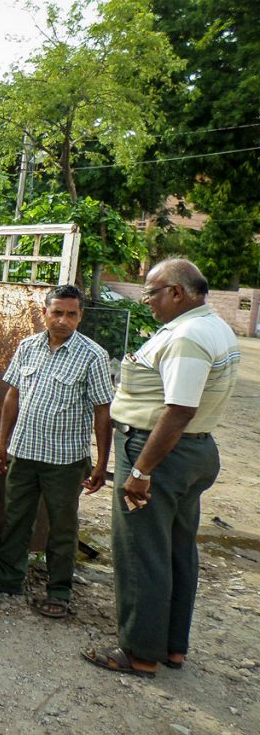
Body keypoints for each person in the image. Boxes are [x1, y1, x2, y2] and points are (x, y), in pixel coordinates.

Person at [83, 259, 240, 678]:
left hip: (160, 453)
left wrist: (141, 470)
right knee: (175, 549)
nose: (147, 299)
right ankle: (172, 646)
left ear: (176, 292)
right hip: (192, 453)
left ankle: (138, 652)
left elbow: (179, 409)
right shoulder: (212, 326)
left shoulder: (188, 336)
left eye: (151, 291)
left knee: (141, 552)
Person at [0, 284, 113, 618]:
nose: (63, 320)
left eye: (71, 314)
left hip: (65, 462)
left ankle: (59, 591)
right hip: (23, 453)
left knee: (62, 528)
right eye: (57, 313)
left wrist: (102, 464)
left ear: (80, 316)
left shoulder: (93, 355)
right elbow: (13, 396)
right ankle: (8, 577)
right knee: (16, 519)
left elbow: (102, 412)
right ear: (44, 313)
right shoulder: (27, 347)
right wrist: (1, 443)